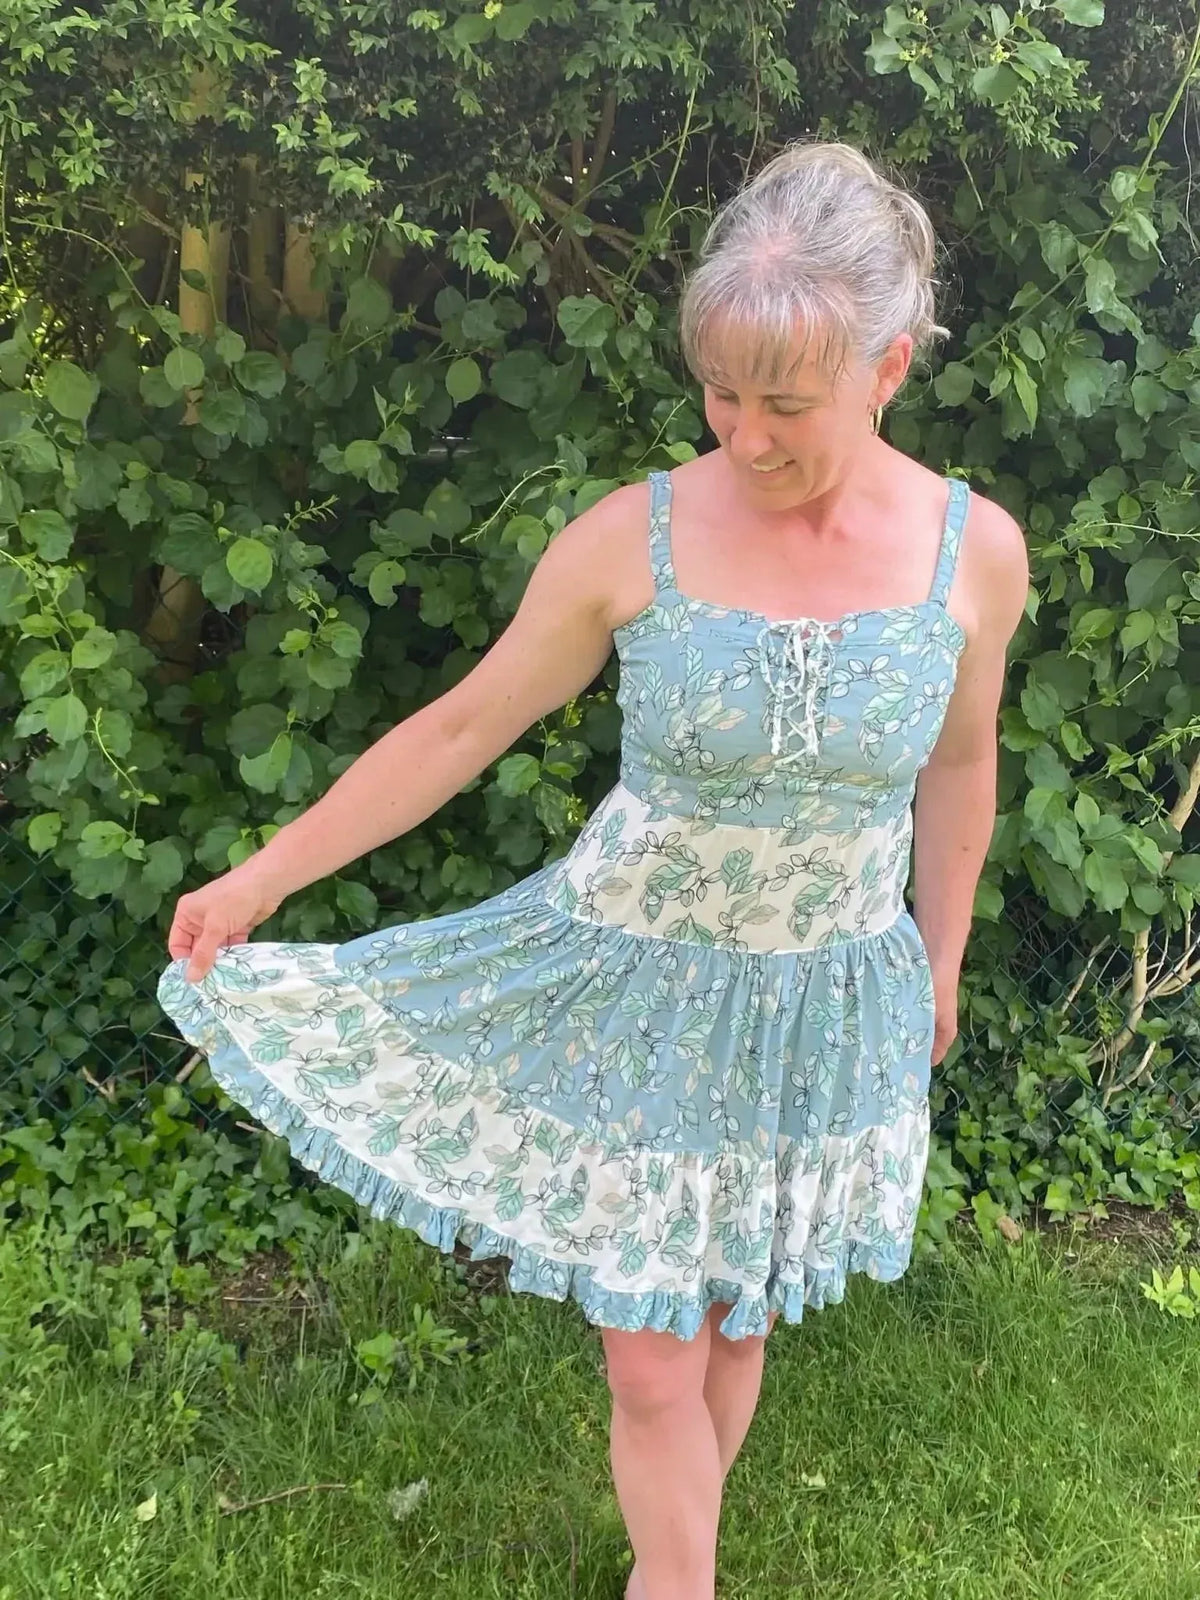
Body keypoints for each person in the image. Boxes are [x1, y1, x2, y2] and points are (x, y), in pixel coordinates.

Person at [158, 140, 1029, 1600]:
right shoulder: (636, 538)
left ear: (888, 368)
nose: (744, 435)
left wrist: (935, 963)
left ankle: (669, 1565)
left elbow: (960, 768)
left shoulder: (972, 555)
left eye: (787, 403)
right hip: (626, 982)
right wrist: (262, 878)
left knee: (735, 1320)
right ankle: (676, 1584)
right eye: (721, 391)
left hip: (826, 993)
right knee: (648, 1357)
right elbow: (462, 727)